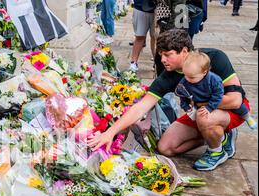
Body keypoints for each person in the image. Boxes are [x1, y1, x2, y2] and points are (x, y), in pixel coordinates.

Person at [88, 29, 250, 172]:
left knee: (203, 117)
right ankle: (220, 135)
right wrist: (109, 133)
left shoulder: (215, 58)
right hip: (199, 112)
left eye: (168, 54)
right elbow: (141, 107)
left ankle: (217, 151)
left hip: (233, 111)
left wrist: (200, 103)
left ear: (185, 51)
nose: (163, 60)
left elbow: (236, 100)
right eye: (161, 55)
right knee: (165, 148)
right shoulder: (167, 77)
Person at [178, 51, 257, 133]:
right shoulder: (186, 81)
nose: (187, 79)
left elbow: (218, 95)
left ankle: (247, 117)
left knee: (238, 107)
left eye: (191, 77)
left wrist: (210, 107)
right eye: (185, 75)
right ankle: (218, 134)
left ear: (204, 72)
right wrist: (186, 106)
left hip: (215, 98)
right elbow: (182, 94)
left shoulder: (213, 79)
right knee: (201, 117)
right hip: (201, 100)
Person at [128, 0, 157, 72]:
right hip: (140, 6)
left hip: (159, 9)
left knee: (156, 37)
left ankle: (157, 62)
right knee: (139, 36)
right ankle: (133, 62)